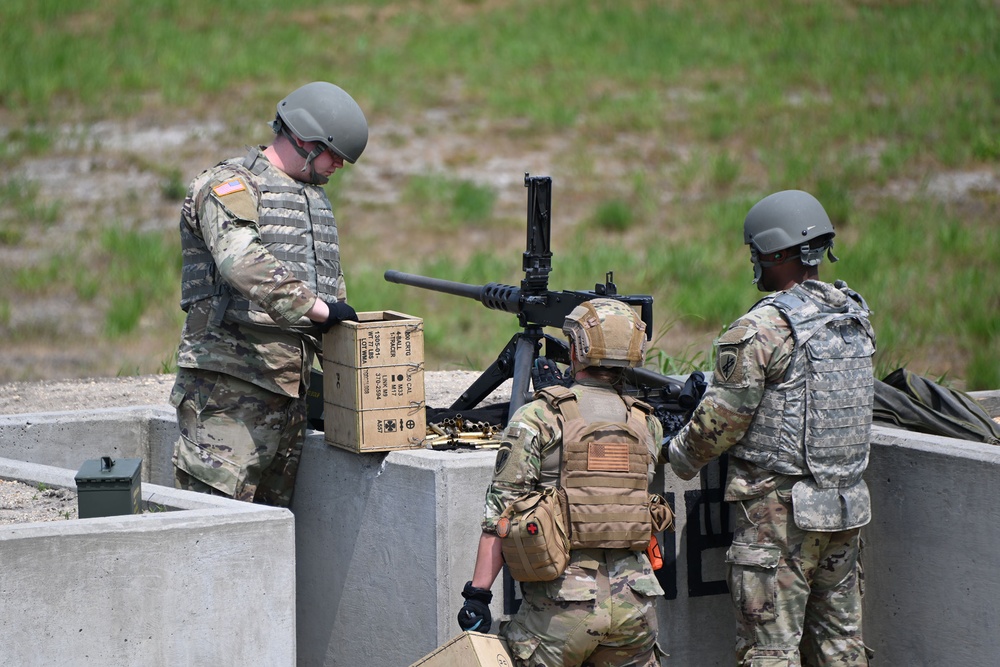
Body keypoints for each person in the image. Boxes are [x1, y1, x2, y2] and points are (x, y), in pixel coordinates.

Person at [665, 190, 876, 666]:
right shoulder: (852, 317)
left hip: (777, 518)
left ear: (776, 253)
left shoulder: (764, 328)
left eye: (757, 252)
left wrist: (673, 453)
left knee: (769, 652)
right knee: (841, 649)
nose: (755, 262)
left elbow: (719, 424)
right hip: (842, 510)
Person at [169, 81, 368, 507]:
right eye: (335, 155)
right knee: (214, 529)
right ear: (305, 140)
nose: (339, 166)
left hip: (289, 401)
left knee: (270, 538)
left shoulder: (313, 203)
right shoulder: (229, 184)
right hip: (228, 394)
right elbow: (240, 259)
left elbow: (331, 290)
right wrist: (317, 309)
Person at [459, 298, 668, 667]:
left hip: (561, 609)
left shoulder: (538, 416)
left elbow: (500, 518)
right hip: (635, 606)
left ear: (574, 349)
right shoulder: (646, 423)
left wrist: (477, 595)